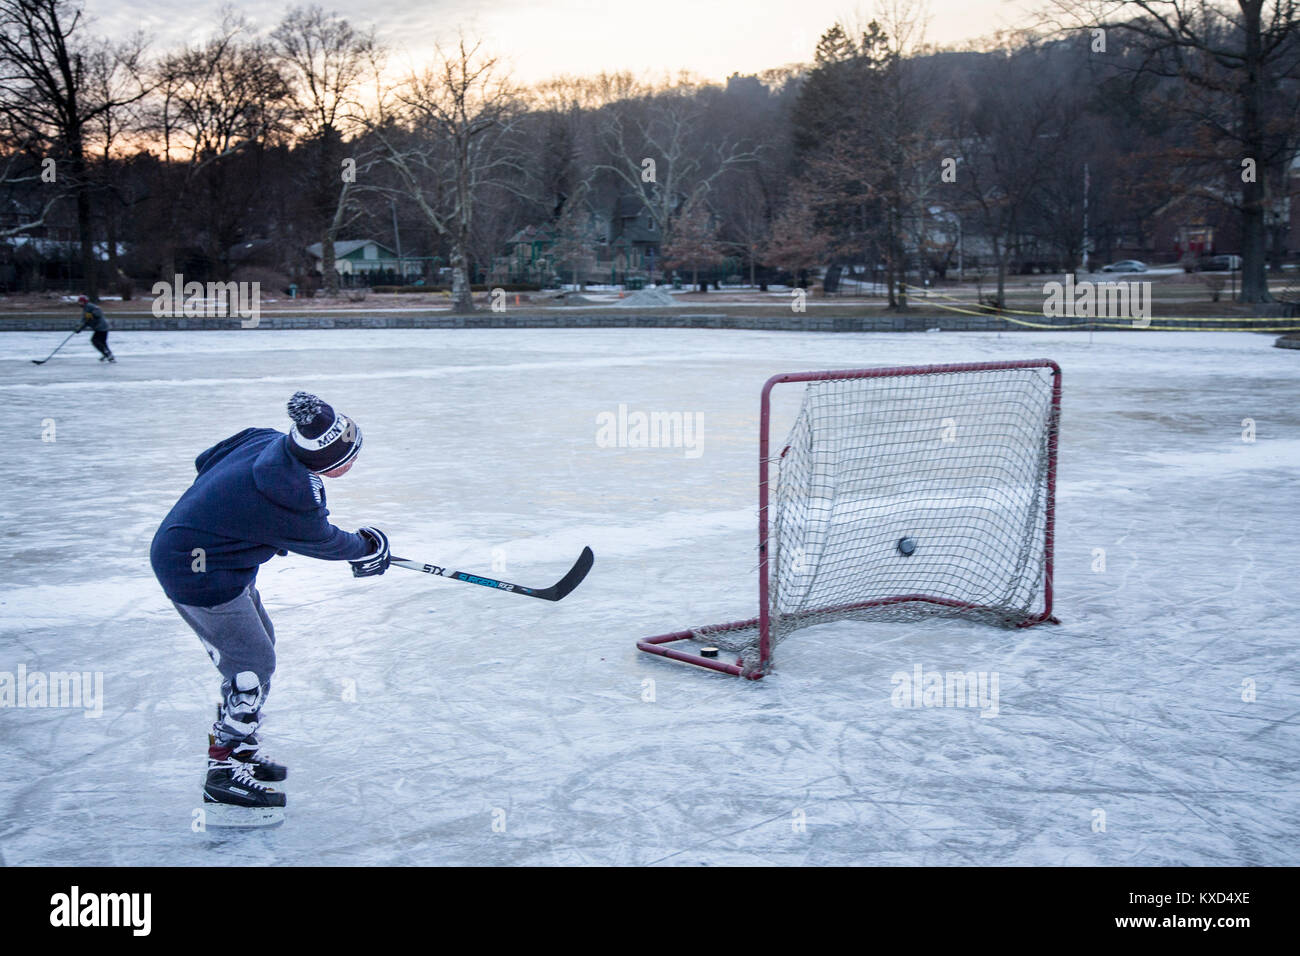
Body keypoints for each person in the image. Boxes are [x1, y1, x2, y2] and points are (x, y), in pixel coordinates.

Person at [149, 392, 390, 815]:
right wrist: (367, 547)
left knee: (260, 653)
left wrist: (233, 516)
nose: (353, 464)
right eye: (349, 458)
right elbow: (323, 540)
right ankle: (221, 773)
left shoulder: (265, 439)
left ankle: (241, 752)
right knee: (250, 667)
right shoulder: (292, 490)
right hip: (198, 572)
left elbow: (207, 460)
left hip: (215, 558)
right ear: (328, 462)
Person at [74, 294, 114, 363]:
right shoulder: (85, 309)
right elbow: (85, 321)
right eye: (79, 302)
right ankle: (107, 354)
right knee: (102, 342)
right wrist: (79, 328)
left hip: (101, 327)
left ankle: (107, 354)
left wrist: (92, 315)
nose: (80, 303)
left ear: (85, 302)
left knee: (95, 341)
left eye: (81, 302)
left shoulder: (90, 306)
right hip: (99, 328)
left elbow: (98, 312)